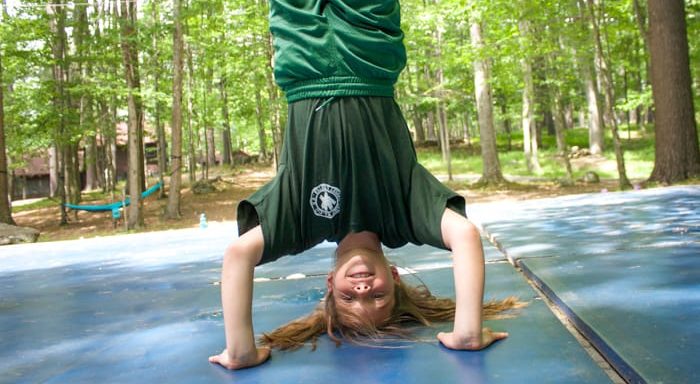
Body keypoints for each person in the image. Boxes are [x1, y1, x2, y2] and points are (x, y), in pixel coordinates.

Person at [209, 0, 521, 370]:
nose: (362, 293)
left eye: (349, 302)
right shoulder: (404, 216)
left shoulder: (301, 225)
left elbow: (238, 255)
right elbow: (466, 235)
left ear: (329, 283)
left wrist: (242, 351)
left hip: (302, 47)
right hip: (368, 43)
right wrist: (468, 334)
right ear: (393, 277)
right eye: (378, 300)